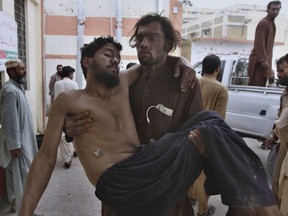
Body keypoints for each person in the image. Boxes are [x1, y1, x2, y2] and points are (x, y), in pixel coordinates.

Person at [19, 37, 283, 216]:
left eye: (118, 56)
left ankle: (250, 201)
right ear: (87, 62)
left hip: (146, 167)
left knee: (211, 120)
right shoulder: (70, 99)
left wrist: (182, 62)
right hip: (119, 182)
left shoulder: (123, 82)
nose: (115, 60)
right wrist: (26, 212)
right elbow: (45, 156)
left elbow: (156, 61)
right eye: (108, 55)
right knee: (211, 127)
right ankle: (261, 205)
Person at [64, 13, 202, 216]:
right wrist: (70, 128)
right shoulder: (121, 83)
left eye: (152, 37)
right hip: (122, 194)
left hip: (166, 194)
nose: (143, 43)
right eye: (140, 38)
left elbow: (197, 135)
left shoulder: (184, 81)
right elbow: (91, 110)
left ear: (168, 44)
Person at [189, 54, 228, 216]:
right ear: (218, 69)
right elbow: (219, 119)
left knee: (190, 167)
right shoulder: (221, 89)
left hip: (189, 131)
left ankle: (191, 197)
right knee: (202, 175)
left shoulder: (193, 83)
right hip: (208, 135)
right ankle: (203, 210)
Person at [0, 59, 38, 213]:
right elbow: (9, 120)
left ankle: (19, 204)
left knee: (20, 176)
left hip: (24, 141)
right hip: (19, 145)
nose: (25, 71)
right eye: (22, 69)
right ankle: (24, 209)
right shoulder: (10, 91)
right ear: (11, 72)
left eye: (25, 68)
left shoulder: (17, 88)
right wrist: (14, 145)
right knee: (21, 177)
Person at [247, 1, 281, 87]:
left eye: (278, 9)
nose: (275, 12)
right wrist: (263, 60)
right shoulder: (264, 23)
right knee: (256, 90)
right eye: (273, 9)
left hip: (265, 64)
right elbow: (259, 43)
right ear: (268, 10)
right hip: (258, 63)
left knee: (262, 88)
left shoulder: (272, 24)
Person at [271, 53, 288, 215]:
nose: (279, 74)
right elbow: (280, 118)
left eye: (282, 70)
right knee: (277, 183)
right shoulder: (285, 93)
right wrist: (273, 136)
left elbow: (282, 124)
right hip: (283, 143)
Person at [54, 66, 79, 169]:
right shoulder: (74, 84)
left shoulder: (57, 84)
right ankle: (76, 150)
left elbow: (56, 99)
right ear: (70, 74)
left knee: (63, 137)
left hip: (60, 113)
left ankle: (67, 160)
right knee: (75, 134)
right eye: (72, 74)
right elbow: (77, 99)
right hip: (73, 113)